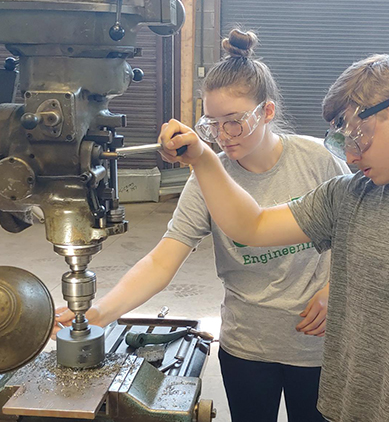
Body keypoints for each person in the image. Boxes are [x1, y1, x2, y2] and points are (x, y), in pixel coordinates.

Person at [156, 53, 389, 422]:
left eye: (357, 137)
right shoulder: (351, 194)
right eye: (341, 143)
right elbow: (251, 226)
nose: (350, 157)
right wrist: (203, 159)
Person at [54, 29, 350, 422]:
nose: (224, 137)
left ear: (267, 111)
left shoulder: (318, 161)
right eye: (212, 124)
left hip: (317, 345)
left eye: (235, 122)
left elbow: (357, 236)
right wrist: (101, 312)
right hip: (248, 346)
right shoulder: (208, 178)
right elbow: (163, 260)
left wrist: (334, 289)